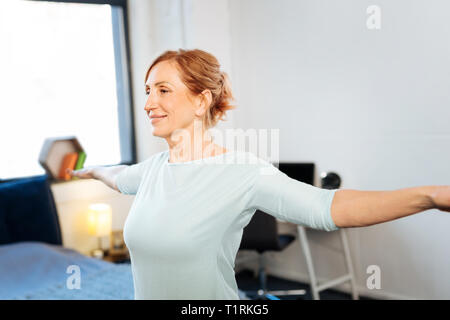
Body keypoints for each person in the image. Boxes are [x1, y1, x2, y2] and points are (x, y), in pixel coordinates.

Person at [68, 49, 450, 300]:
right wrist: (91, 170)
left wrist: (429, 197)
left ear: (202, 101)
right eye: (148, 90)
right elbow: (117, 175)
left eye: (164, 90)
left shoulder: (242, 171)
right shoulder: (150, 171)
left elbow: (328, 207)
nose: (149, 103)